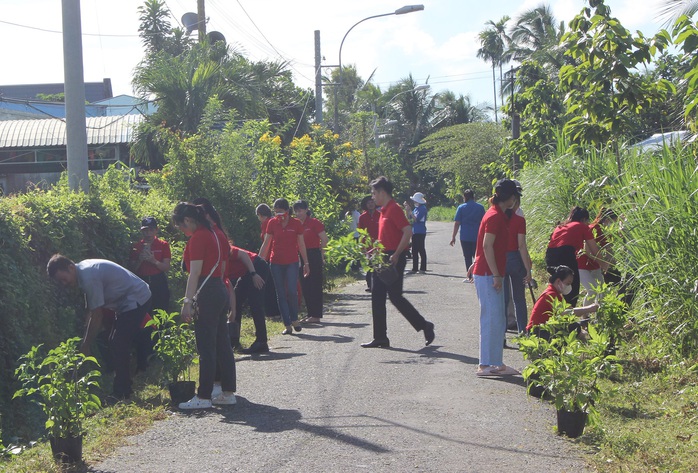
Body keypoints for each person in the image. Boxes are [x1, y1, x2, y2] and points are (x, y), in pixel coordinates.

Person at [47, 254, 152, 399]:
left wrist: (86, 344)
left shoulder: (88, 276)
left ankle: (122, 391)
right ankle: (125, 381)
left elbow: (97, 315)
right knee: (116, 342)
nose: (64, 284)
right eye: (60, 282)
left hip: (136, 297)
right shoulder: (83, 271)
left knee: (118, 342)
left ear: (71, 267)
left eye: (63, 279)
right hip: (125, 302)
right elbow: (91, 309)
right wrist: (86, 335)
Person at [173, 202, 236, 409]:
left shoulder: (199, 237)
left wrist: (187, 302)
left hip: (206, 291)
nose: (182, 231)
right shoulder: (214, 233)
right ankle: (228, 392)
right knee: (222, 343)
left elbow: (195, 273)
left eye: (182, 226)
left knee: (206, 346)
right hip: (219, 287)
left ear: (189, 220)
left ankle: (204, 396)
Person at [361, 176, 435, 348]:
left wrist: (397, 253)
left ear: (382, 192)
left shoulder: (394, 209)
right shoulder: (383, 210)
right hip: (382, 257)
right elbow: (384, 237)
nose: (372, 197)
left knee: (395, 297)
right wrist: (371, 252)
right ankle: (380, 337)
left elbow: (407, 231)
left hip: (393, 257)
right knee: (377, 296)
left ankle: (425, 325)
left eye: (373, 193)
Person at [469, 179, 520, 377]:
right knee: (491, 318)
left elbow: (483, 244)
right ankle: (485, 364)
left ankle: (496, 362)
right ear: (510, 197)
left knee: (498, 318)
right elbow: (487, 245)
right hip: (488, 273)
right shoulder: (494, 216)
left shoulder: (499, 214)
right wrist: (496, 275)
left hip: (490, 271)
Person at [259, 198, 310, 335]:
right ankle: (287, 324)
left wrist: (306, 263)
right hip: (275, 262)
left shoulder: (296, 224)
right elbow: (266, 243)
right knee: (280, 293)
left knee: (292, 291)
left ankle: (294, 319)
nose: (278, 215)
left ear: (287, 211)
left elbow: (301, 244)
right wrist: (258, 260)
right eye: (275, 212)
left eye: (280, 212)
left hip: (292, 262)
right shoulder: (272, 223)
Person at [546, 206, 605, 307]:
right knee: (572, 286)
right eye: (587, 220)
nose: (588, 223)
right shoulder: (583, 227)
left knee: (557, 286)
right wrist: (604, 264)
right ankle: (570, 314)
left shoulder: (560, 227)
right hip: (566, 253)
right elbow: (595, 250)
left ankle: (554, 310)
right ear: (583, 219)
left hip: (550, 256)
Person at [526, 265, 599, 335]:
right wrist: (589, 309)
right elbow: (567, 313)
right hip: (537, 331)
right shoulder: (550, 295)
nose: (569, 286)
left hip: (543, 329)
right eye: (568, 283)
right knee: (573, 327)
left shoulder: (555, 294)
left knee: (573, 326)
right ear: (558, 281)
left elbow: (570, 311)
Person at [226, 244, 270, 354]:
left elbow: (244, 255)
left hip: (256, 266)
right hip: (245, 272)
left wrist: (254, 274)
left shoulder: (225, 249)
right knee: (235, 302)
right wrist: (233, 309)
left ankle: (261, 341)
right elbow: (228, 286)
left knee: (255, 303)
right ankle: (234, 341)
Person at [294, 200, 328, 324]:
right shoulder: (296, 224)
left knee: (315, 285)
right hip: (301, 256)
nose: (298, 213)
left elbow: (324, 239)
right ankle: (310, 314)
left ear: (307, 210)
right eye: (296, 211)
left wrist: (322, 255)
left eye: (300, 210)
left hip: (313, 254)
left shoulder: (314, 223)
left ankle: (316, 315)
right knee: (305, 285)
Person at [503, 195, 533, 333]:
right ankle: (523, 333)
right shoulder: (520, 220)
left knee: (503, 301)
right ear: (515, 205)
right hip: (515, 259)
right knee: (519, 299)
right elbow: (521, 245)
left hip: (501, 259)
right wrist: (528, 270)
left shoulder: (499, 219)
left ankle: (501, 335)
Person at [129, 216, 171, 313]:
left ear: (156, 230)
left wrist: (154, 261)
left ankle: (160, 328)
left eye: (151, 230)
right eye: (145, 230)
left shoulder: (163, 245)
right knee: (142, 311)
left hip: (158, 280)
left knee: (160, 309)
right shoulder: (136, 246)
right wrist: (140, 260)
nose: (148, 234)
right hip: (141, 280)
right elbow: (131, 270)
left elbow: (166, 267)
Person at [578, 208, 617, 304]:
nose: (613, 225)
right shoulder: (593, 229)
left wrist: (610, 262)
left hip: (595, 265)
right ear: (607, 220)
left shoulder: (607, 232)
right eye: (613, 222)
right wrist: (603, 263)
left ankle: (599, 317)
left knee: (602, 292)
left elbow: (609, 249)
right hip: (582, 265)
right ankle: (585, 316)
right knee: (593, 291)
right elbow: (586, 250)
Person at [450, 189, 486, 280]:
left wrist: (453, 237)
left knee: (467, 257)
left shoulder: (461, 208)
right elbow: (485, 222)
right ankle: (478, 275)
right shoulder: (480, 207)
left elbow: (457, 223)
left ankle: (470, 276)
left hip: (465, 236)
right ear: (473, 197)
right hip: (477, 236)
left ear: (465, 197)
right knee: (477, 256)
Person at [256, 203, 281, 318]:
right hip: (277, 255)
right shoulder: (274, 221)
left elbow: (266, 243)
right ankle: (278, 310)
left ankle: (272, 311)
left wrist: (259, 259)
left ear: (260, 215)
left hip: (269, 256)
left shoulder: (266, 223)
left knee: (269, 285)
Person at [358, 195, 381, 291]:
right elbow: (361, 232)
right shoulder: (362, 217)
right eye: (368, 203)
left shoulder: (380, 215)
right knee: (369, 265)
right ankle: (369, 285)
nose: (371, 204)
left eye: (372, 202)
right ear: (366, 205)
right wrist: (362, 246)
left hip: (378, 244)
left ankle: (377, 285)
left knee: (378, 266)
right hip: (367, 245)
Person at [405, 192, 428, 273]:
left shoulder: (423, 208)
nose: (414, 202)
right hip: (415, 231)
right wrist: (407, 210)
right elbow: (409, 217)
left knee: (421, 249)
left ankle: (423, 268)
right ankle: (415, 268)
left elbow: (417, 219)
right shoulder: (416, 209)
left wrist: (410, 211)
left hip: (421, 231)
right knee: (414, 250)